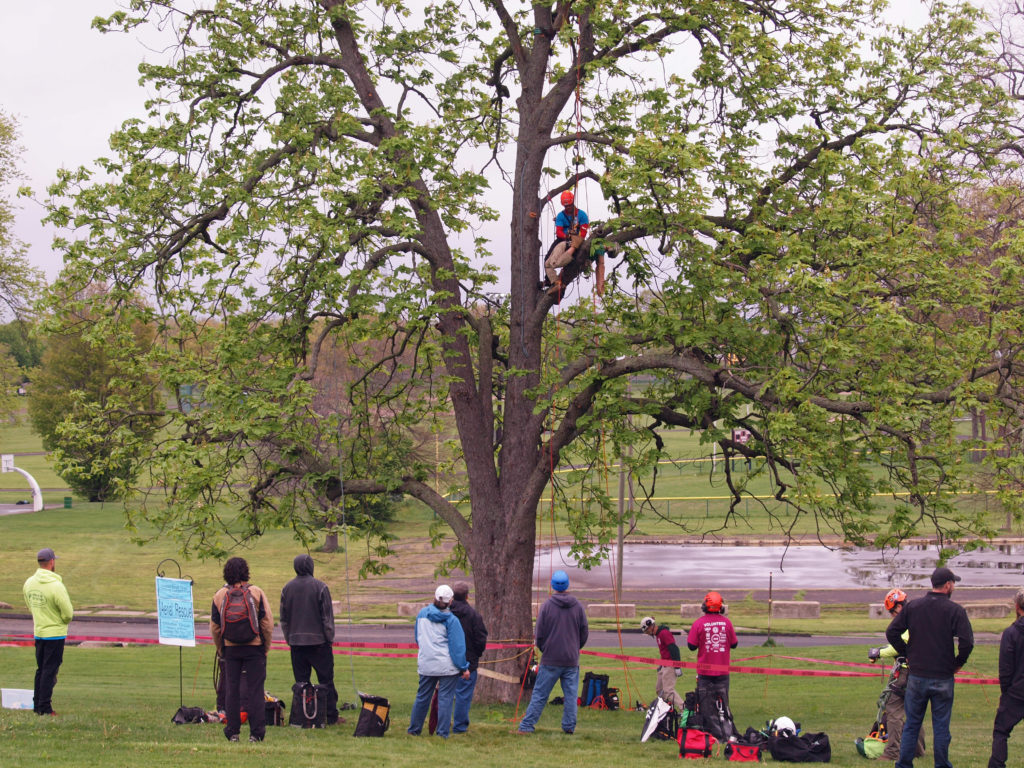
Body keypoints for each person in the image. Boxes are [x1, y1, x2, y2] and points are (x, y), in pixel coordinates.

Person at [886, 566, 974, 768]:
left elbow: (892, 632)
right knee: (941, 726)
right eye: (953, 584)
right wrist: (958, 663)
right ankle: (941, 764)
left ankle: (904, 764)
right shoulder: (955, 610)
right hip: (943, 675)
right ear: (948, 585)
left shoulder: (914, 607)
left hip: (917, 675)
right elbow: (967, 642)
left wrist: (908, 653)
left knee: (912, 724)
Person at [517, 570, 589, 735]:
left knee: (540, 694)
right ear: (568, 585)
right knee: (571, 696)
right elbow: (584, 632)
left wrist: (546, 649)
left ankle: (527, 726)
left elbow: (539, 634)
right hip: (571, 659)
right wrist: (575, 648)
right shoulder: (578, 606)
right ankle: (569, 727)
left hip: (550, 659)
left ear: (552, 586)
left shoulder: (547, 606)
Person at [210, 556, 274, 742]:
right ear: (246, 572)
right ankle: (256, 733)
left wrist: (221, 649)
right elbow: (267, 624)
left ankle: (233, 731)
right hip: (255, 647)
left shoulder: (219, 595)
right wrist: (265, 647)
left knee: (232, 690)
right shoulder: (256, 592)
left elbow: (215, 627)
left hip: (231, 649)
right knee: (255, 690)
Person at [279, 553, 340, 725]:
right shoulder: (320, 587)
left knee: (301, 683)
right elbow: (327, 618)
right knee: (326, 680)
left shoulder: (286, 588)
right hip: (319, 643)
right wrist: (329, 639)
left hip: (296, 643)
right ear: (311, 567)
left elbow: (283, 619)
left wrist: (289, 638)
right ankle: (330, 716)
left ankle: (303, 715)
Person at [867, 588, 925, 760]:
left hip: (906, 673)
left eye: (892, 612)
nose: (892, 616)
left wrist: (878, 653)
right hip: (920, 672)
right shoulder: (918, 618)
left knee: (893, 709)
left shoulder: (907, 622)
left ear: (899, 607)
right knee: (914, 711)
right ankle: (918, 750)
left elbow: (899, 646)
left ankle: (892, 751)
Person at [408, 584, 470, 739]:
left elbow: (418, 637)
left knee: (422, 697)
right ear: (451, 601)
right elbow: (457, 647)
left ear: (434, 597)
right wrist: (463, 667)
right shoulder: (452, 620)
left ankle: (414, 729)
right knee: (445, 699)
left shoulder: (422, 615)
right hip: (446, 666)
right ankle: (442, 733)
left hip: (426, 663)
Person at [23, 547, 73, 716]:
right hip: (55, 634)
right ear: (52, 562)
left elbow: (30, 605)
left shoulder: (29, 583)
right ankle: (45, 707)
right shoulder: (56, 586)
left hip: (39, 632)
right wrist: (62, 621)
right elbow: (68, 613)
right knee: (50, 671)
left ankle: (37, 705)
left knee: (41, 669)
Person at [686, 590, 738, 742]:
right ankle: (726, 730)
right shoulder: (727, 623)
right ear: (721, 607)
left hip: (705, 673)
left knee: (705, 705)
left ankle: (710, 733)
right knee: (724, 704)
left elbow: (691, 646)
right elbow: (734, 644)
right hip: (723, 672)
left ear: (704, 606)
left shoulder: (699, 623)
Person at [987, 587, 1024, 768]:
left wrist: (1006, 692)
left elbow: (1005, 668)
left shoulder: (1011, 633)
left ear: (1017, 607)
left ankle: (997, 764)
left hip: (1015, 692)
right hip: (1016, 690)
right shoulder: (1011, 633)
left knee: (1001, 731)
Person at [449, 581, 488, 734]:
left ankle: (443, 722)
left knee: (446, 693)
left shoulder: (446, 614)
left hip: (447, 659)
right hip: (467, 660)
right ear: (467, 596)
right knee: (463, 695)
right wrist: (476, 654)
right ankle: (459, 726)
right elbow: (480, 639)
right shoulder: (474, 616)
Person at [542, 190, 590, 296]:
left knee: (570, 259)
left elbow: (583, 231)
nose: (567, 208)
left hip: (576, 239)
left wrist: (576, 240)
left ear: (573, 203)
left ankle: (562, 280)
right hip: (562, 239)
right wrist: (566, 236)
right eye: (565, 206)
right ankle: (550, 280)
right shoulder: (561, 216)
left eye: (569, 205)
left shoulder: (581, 215)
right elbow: (559, 231)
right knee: (548, 258)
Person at [640, 616, 685, 710]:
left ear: (651, 626)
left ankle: (684, 709)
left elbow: (674, 649)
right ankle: (667, 709)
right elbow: (664, 651)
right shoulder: (658, 635)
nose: (648, 633)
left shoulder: (664, 633)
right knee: (659, 689)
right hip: (664, 665)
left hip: (670, 665)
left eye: (647, 631)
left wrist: (677, 666)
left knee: (668, 691)